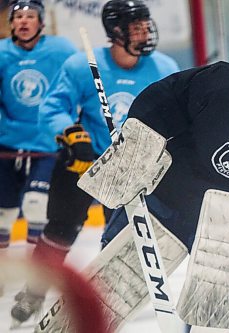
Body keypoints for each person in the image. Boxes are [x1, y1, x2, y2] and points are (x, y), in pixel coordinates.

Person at [45, 34, 229, 331]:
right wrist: (138, 142)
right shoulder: (222, 83)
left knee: (212, 315)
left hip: (227, 226)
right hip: (168, 201)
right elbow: (165, 98)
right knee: (113, 285)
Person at [10, 0, 179, 326]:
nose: (145, 30)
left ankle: (111, 292)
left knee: (118, 238)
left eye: (146, 23)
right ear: (116, 31)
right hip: (83, 164)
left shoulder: (166, 68)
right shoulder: (81, 65)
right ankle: (34, 289)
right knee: (59, 231)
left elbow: (181, 115)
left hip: (129, 167)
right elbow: (52, 107)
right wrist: (71, 132)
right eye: (136, 25)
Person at [0, 0, 77, 248]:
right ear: (11, 23)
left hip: (46, 142)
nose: (24, 21)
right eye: (18, 16)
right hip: (7, 142)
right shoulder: (2, 53)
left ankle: (33, 277)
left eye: (30, 16)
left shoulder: (61, 49)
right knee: (3, 215)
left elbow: (78, 82)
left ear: (41, 23)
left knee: (36, 206)